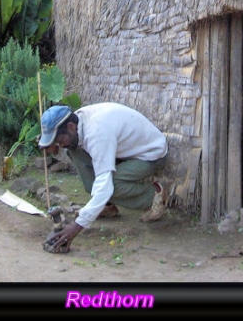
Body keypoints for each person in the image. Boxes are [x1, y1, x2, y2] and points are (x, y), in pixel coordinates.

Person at [39, 102, 168, 253]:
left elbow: (104, 187)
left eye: (60, 141)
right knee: (73, 150)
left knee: (110, 186)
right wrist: (54, 145)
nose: (60, 145)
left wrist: (75, 228)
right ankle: (107, 206)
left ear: (71, 127)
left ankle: (153, 195)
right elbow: (72, 146)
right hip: (123, 152)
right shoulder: (77, 121)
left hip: (150, 155)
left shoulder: (97, 132)